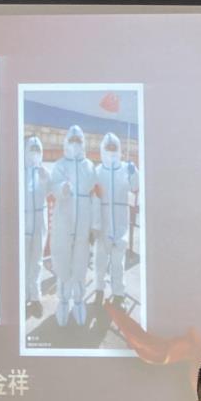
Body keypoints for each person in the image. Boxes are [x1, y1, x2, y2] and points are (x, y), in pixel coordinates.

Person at [46, 124, 95, 327]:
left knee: (81, 262)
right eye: (72, 140)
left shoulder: (89, 166)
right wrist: (62, 188)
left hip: (83, 222)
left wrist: (95, 225)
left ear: (83, 143)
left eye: (78, 140)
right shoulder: (59, 165)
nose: (75, 144)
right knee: (63, 261)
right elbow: (53, 187)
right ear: (66, 142)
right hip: (64, 220)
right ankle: (63, 301)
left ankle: (79, 301)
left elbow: (95, 195)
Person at [92, 131, 138, 306]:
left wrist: (134, 173)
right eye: (108, 147)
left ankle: (118, 294)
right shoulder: (97, 171)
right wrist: (94, 225)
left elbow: (135, 187)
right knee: (100, 261)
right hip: (102, 224)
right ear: (102, 149)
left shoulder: (126, 169)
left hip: (120, 224)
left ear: (119, 149)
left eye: (114, 147)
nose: (111, 151)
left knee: (118, 263)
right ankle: (99, 290)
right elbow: (94, 199)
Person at [22, 135, 49, 321]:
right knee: (24, 261)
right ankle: (23, 297)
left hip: (40, 219)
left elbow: (55, 189)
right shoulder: (19, 173)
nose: (34, 153)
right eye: (31, 149)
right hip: (24, 218)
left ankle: (35, 298)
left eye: (37, 150)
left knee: (37, 261)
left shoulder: (44, 173)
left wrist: (46, 178)